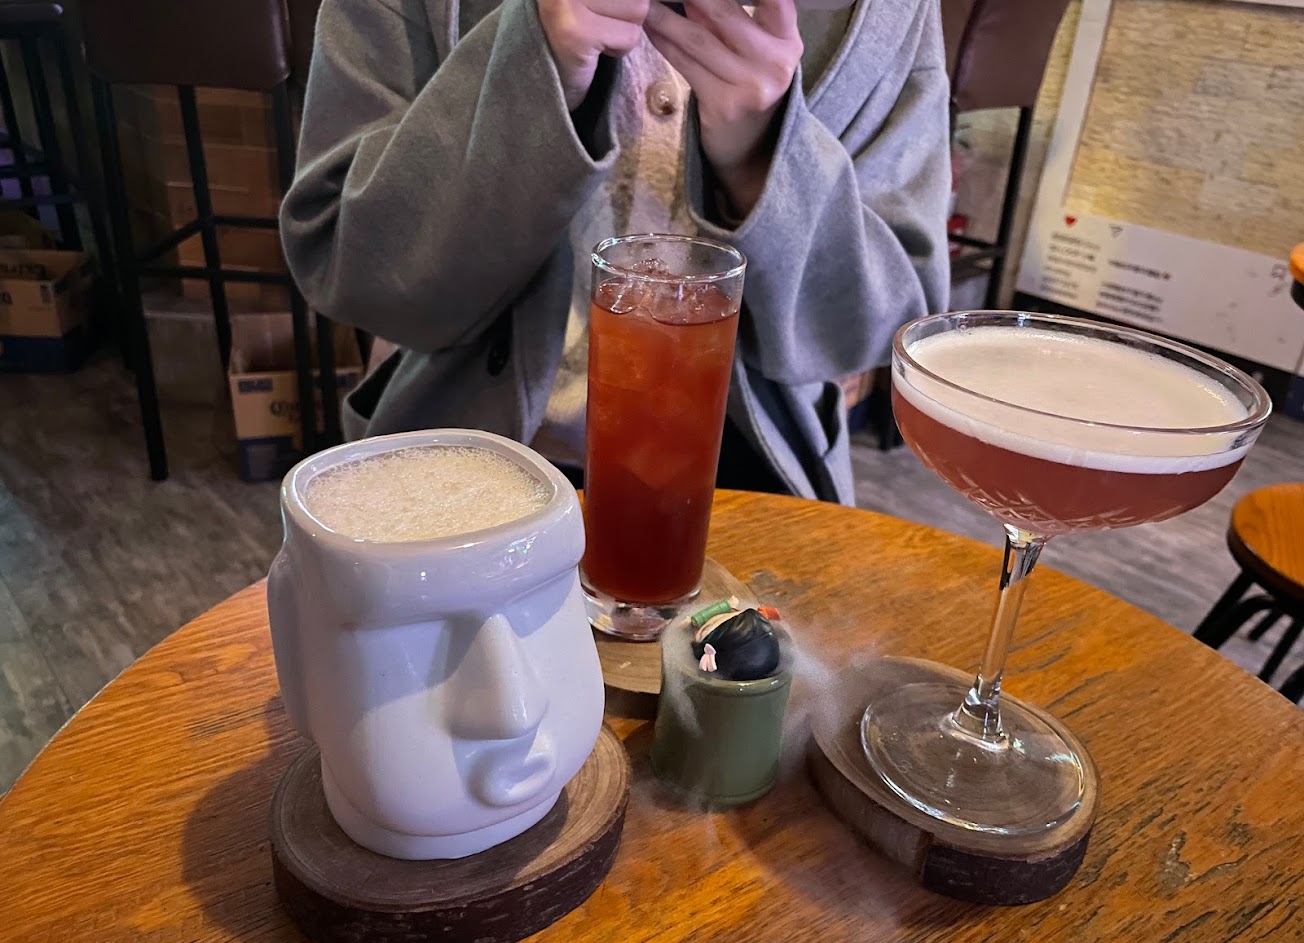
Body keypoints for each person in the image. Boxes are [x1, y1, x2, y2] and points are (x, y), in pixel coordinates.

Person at [280, 0, 950, 504]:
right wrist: (530, 73)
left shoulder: (887, 15)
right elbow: (350, 269)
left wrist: (769, 159)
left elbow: (884, 330)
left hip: (755, 478)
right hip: (458, 463)